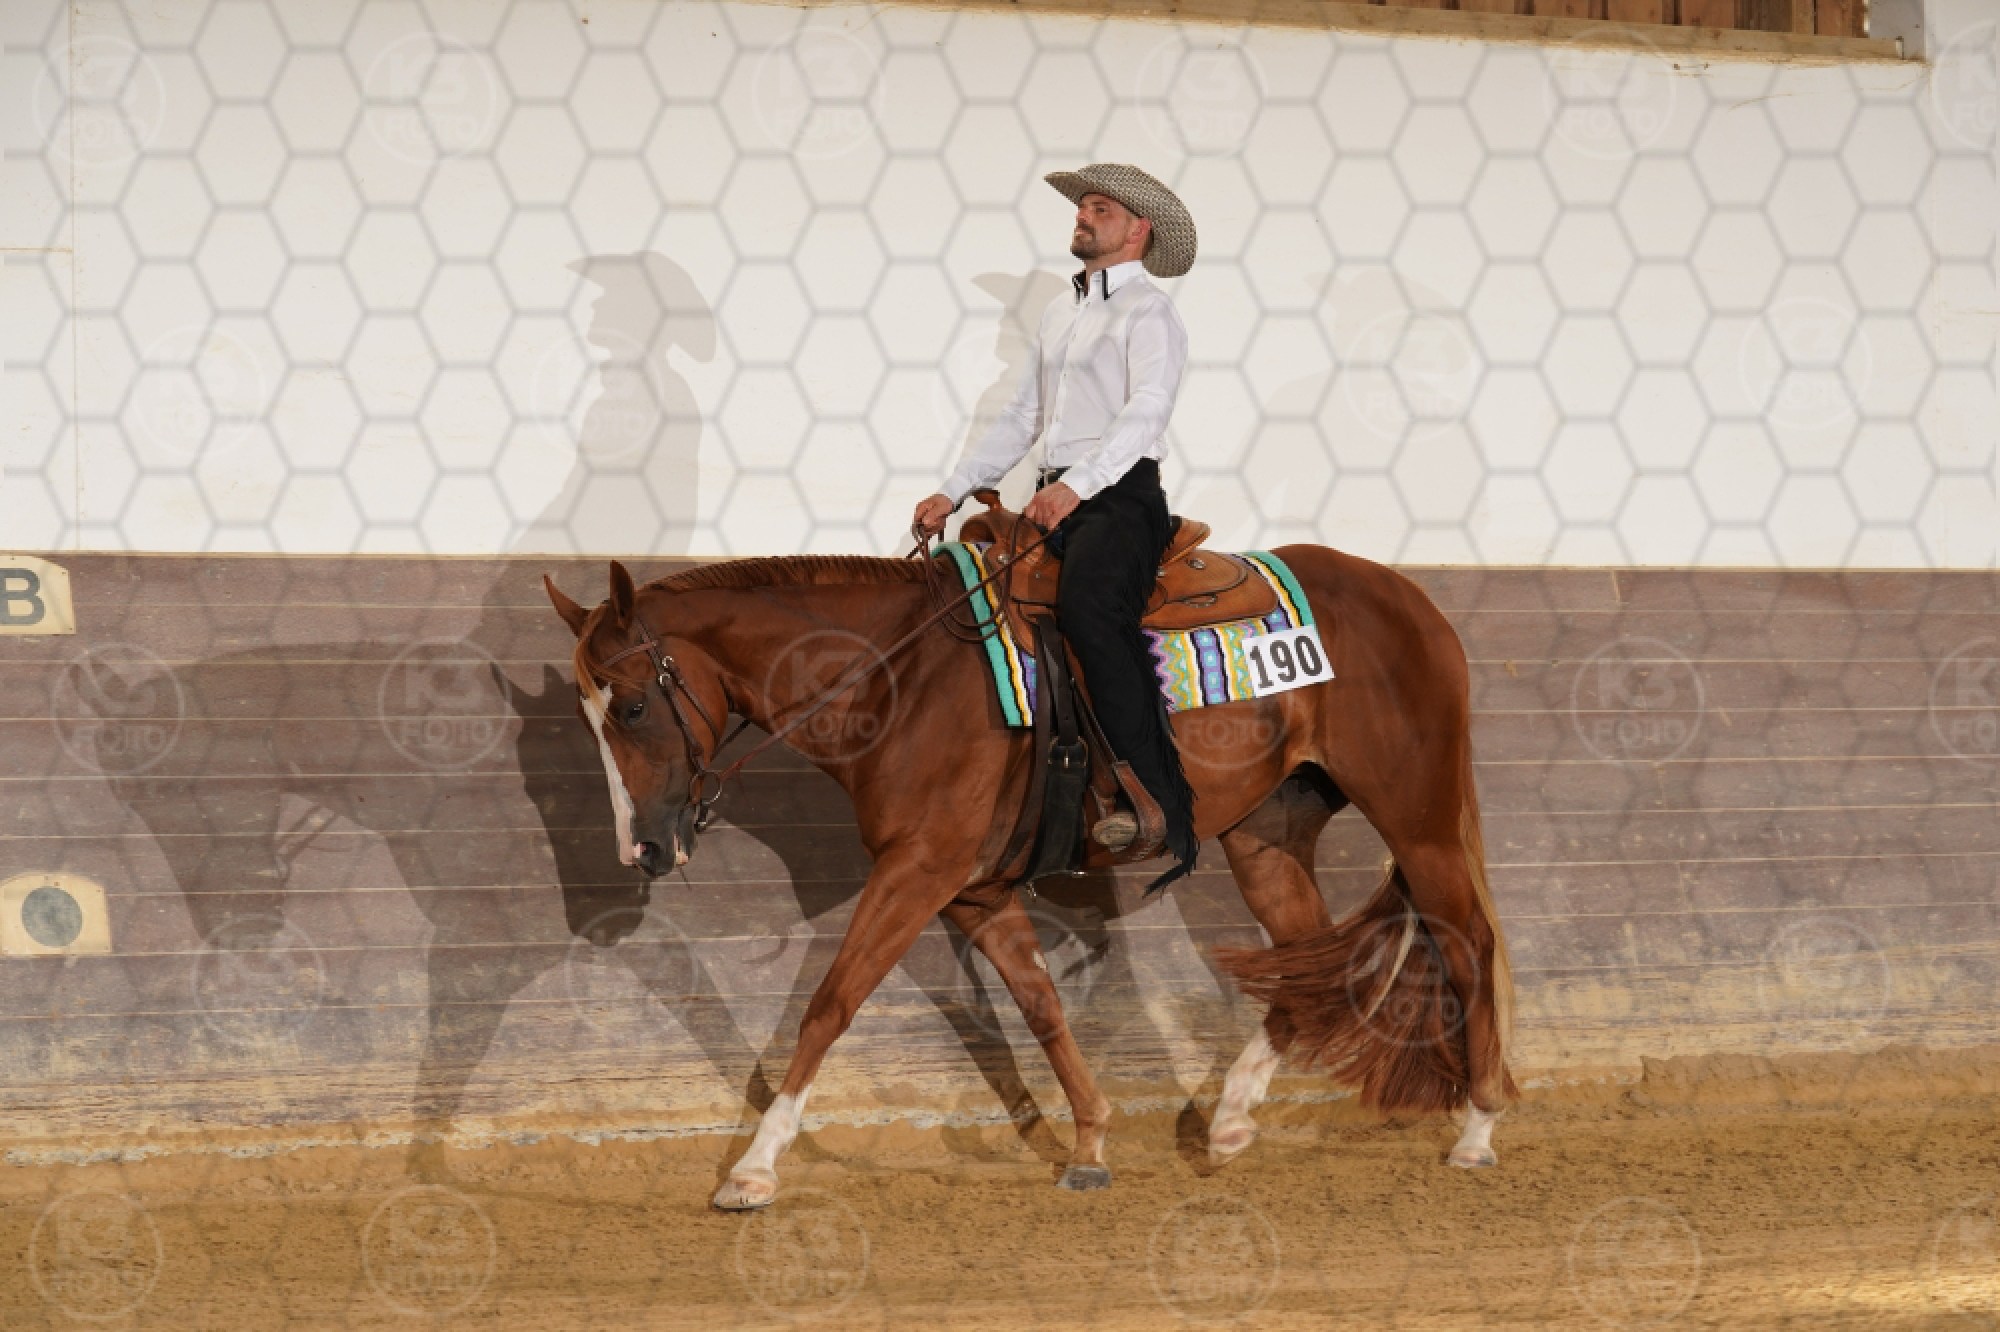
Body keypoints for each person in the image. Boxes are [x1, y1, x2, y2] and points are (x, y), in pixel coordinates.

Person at [913, 163, 1200, 887]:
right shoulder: (1058, 314)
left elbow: (1147, 411)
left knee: (1092, 612)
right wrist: (952, 491)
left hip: (1120, 497)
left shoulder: (1150, 313)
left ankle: (1155, 801)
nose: (1083, 216)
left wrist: (1077, 486)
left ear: (1138, 231)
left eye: (1100, 209)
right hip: (1057, 494)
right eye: (1083, 207)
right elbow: (1022, 418)